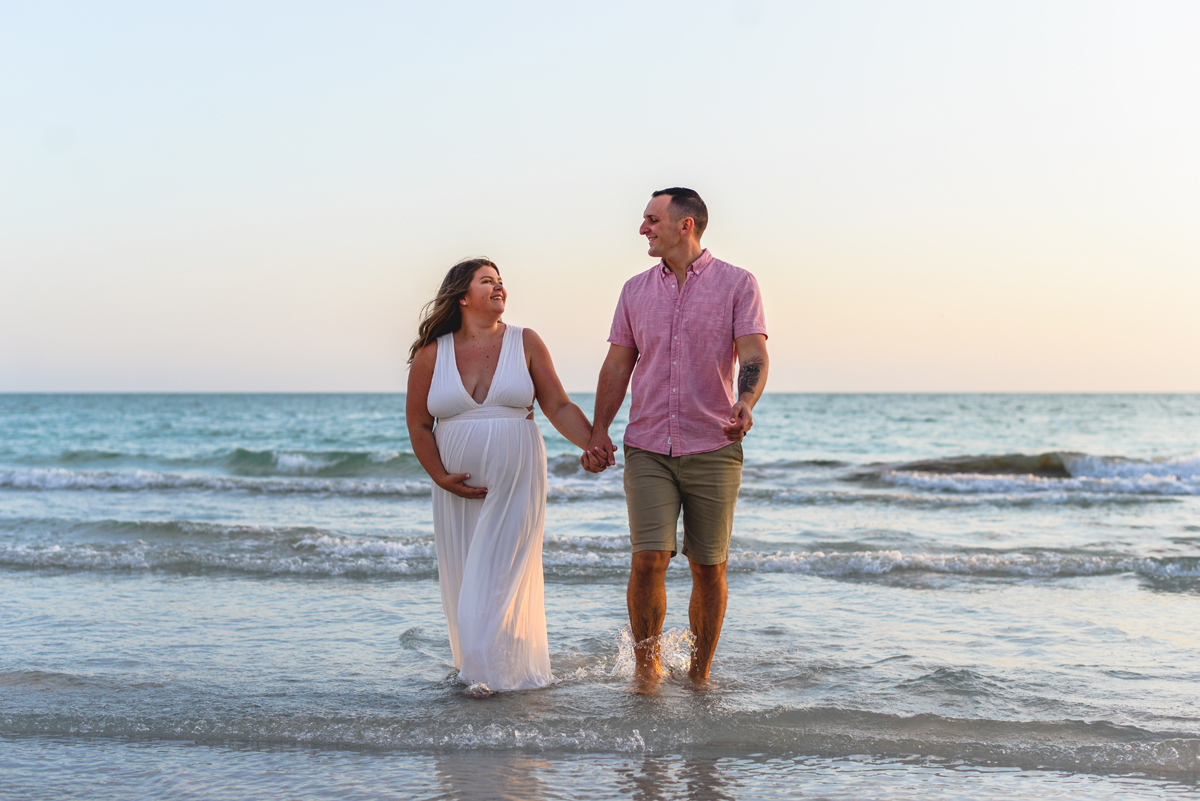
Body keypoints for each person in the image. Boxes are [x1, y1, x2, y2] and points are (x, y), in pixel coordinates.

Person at [582, 188, 769, 690]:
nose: (643, 228)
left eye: (652, 219)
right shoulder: (634, 290)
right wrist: (599, 430)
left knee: (709, 567)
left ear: (686, 225)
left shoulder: (737, 284)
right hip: (647, 446)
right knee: (649, 559)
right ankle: (648, 669)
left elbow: (752, 354)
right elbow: (618, 364)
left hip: (715, 444)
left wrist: (746, 403)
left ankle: (700, 674)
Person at [407, 258, 594, 696]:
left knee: (501, 577)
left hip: (517, 482)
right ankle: (488, 672)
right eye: (487, 281)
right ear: (462, 296)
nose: (499, 287)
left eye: (500, 281)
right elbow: (418, 425)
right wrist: (439, 476)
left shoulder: (524, 341)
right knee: (468, 577)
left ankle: (488, 678)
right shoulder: (433, 354)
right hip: (457, 490)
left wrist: (593, 442)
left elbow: (559, 406)